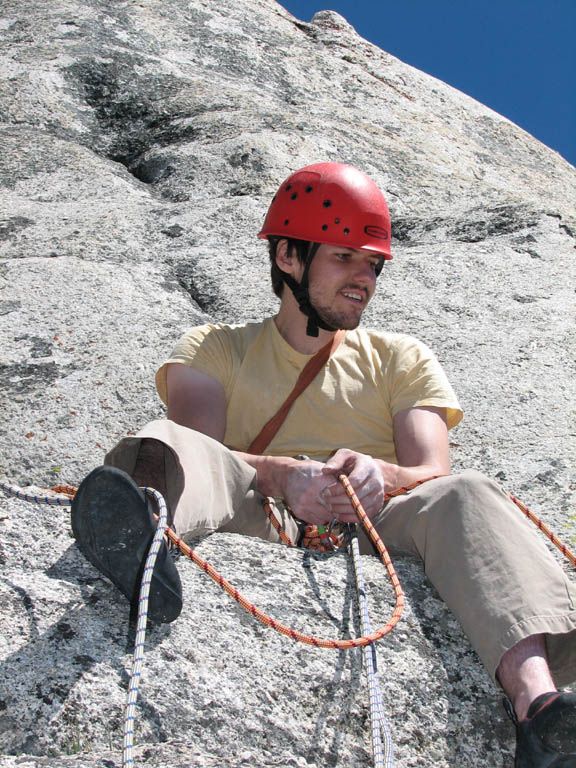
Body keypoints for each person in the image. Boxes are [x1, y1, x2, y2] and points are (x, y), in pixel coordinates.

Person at [71, 162, 576, 767]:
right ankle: (145, 545)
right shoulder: (214, 348)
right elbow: (199, 448)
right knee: (163, 440)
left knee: (470, 492)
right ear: (289, 255)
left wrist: (380, 476)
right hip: (261, 508)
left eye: (374, 265)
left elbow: (433, 472)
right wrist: (283, 475)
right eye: (346, 258)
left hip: (377, 522)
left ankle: (542, 714)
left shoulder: (401, 357)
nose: (365, 278)